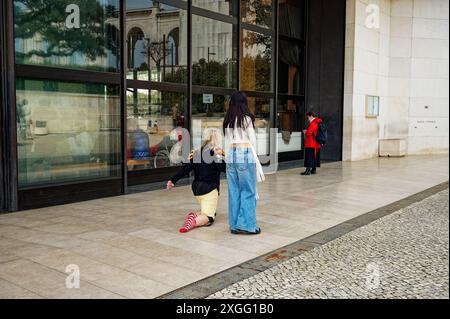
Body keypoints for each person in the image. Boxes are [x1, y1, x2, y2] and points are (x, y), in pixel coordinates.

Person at [167, 129, 226, 233]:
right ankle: (192, 222)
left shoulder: (196, 152)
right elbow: (223, 168)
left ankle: (193, 215)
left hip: (197, 189)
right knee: (209, 217)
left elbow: (186, 169)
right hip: (209, 190)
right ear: (217, 139)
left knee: (209, 211)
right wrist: (220, 156)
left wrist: (173, 180)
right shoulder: (217, 153)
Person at [223, 92, 265, 235]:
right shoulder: (246, 119)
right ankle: (247, 225)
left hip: (231, 155)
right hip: (244, 153)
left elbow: (227, 140)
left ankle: (235, 225)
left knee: (234, 191)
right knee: (248, 190)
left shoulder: (228, 119)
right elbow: (252, 140)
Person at [302, 111, 322, 176]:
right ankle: (313, 170)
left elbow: (309, 133)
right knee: (314, 157)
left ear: (311, 116)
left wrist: (305, 132)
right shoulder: (318, 122)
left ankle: (307, 171)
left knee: (309, 157)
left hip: (311, 143)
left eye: (308, 117)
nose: (308, 119)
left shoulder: (313, 123)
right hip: (316, 144)